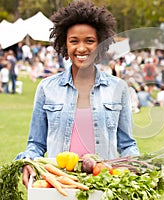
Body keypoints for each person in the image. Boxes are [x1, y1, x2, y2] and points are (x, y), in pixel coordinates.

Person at [15, 0, 139, 188]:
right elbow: (36, 144)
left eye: (89, 41)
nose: (81, 48)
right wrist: (29, 161)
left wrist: (139, 165)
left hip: (104, 185)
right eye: (74, 41)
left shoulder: (119, 88)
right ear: (64, 43)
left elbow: (127, 144)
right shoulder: (47, 88)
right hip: (59, 185)